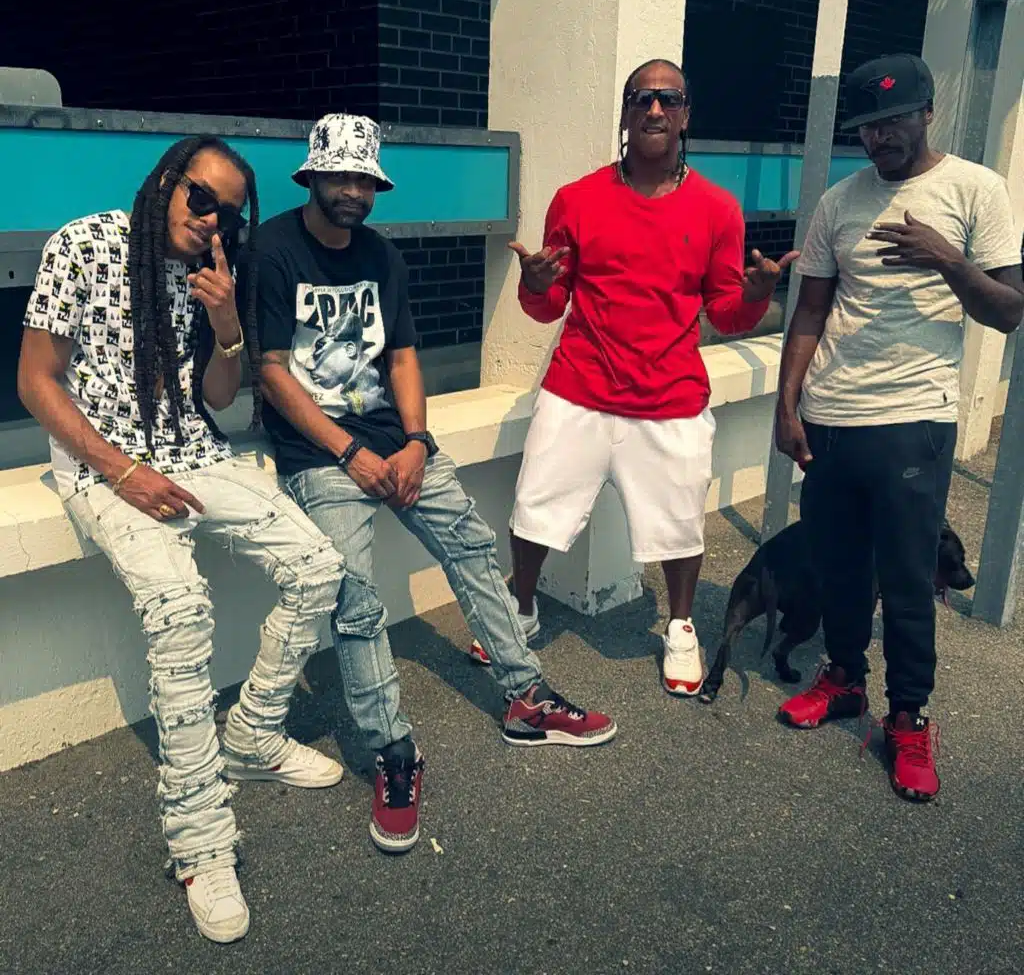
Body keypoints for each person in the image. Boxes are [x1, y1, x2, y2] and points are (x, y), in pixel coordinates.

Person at [250, 113, 618, 855]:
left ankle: (525, 697)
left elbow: (403, 357)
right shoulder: (272, 250)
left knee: (474, 548)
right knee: (354, 597)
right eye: (340, 176)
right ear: (313, 175)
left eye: (365, 179)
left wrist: (417, 441)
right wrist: (349, 453)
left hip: (396, 440)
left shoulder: (382, 256)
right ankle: (393, 752)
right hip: (320, 455)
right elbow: (271, 371)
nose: (353, 191)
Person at [17, 136, 345, 944]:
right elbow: (34, 381)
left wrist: (227, 322)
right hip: (104, 467)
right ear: (166, 181)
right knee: (179, 608)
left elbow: (220, 400)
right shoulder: (84, 245)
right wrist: (121, 470)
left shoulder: (207, 274)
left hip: (191, 453)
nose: (211, 221)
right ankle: (200, 843)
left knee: (318, 566)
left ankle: (253, 734)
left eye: (228, 214)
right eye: (201, 199)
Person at [471, 59, 798, 693]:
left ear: (685, 115)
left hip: (670, 396)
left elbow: (725, 314)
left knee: (679, 525)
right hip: (579, 389)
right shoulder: (577, 198)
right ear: (624, 114)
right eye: (641, 98)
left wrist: (757, 296)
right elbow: (550, 306)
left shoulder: (718, 209)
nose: (654, 110)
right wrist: (534, 285)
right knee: (534, 510)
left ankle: (680, 626)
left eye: (668, 99)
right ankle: (523, 608)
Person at [774, 53, 1024, 801]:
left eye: (892, 120)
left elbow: (1007, 311)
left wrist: (946, 258)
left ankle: (909, 717)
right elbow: (810, 311)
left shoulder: (977, 190)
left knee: (910, 578)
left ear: (927, 113)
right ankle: (845, 678)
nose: (878, 136)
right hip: (831, 415)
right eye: (867, 125)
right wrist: (788, 405)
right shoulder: (839, 202)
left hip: (913, 417)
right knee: (839, 566)